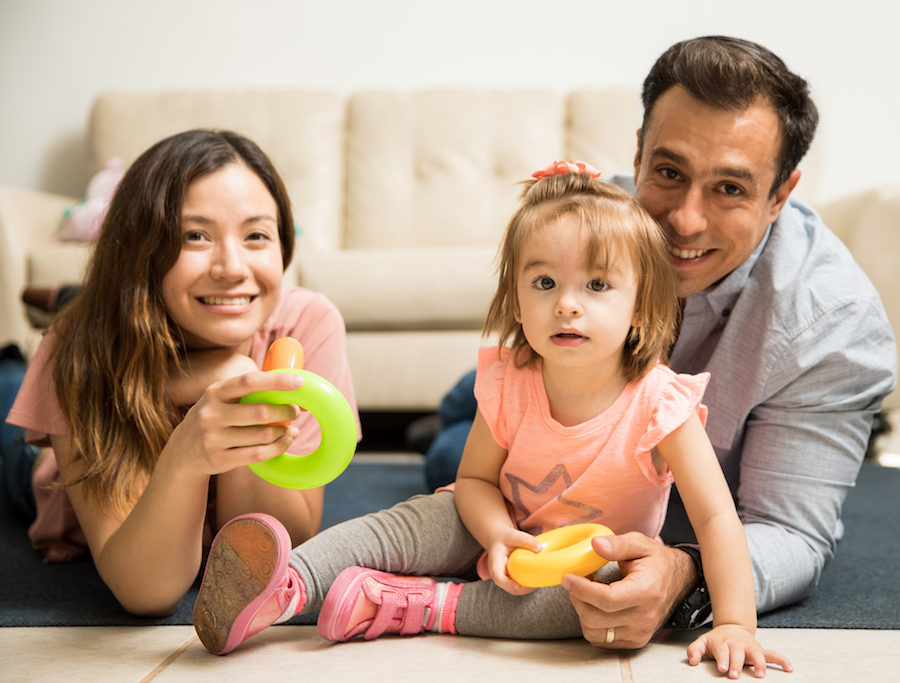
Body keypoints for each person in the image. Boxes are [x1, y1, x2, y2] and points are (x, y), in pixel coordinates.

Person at [191, 162, 793, 678]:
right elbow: (477, 482)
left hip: (585, 562)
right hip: (494, 523)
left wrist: (736, 623)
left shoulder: (661, 404)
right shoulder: (512, 380)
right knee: (410, 521)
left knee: (596, 601)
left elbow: (716, 517)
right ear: (516, 299)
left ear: (642, 309)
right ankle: (285, 583)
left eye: (598, 284)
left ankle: (422, 606)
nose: (567, 302)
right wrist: (497, 533)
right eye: (545, 282)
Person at [423, 35, 897, 647]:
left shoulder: (836, 326)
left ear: (781, 195)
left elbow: (791, 533)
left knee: (450, 452)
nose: (685, 221)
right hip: (546, 380)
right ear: (639, 156)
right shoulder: (599, 216)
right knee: (460, 435)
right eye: (668, 173)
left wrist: (683, 571)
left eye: (730, 188)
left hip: (640, 475)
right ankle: (460, 405)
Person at [3, 129, 360, 616]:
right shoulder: (78, 349)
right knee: (8, 397)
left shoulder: (305, 323)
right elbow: (146, 592)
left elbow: (278, 546)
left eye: (257, 235)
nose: (232, 267)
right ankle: (41, 335)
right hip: (51, 480)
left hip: (149, 332)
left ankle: (73, 294)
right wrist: (187, 456)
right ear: (141, 254)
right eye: (195, 236)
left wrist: (237, 388)